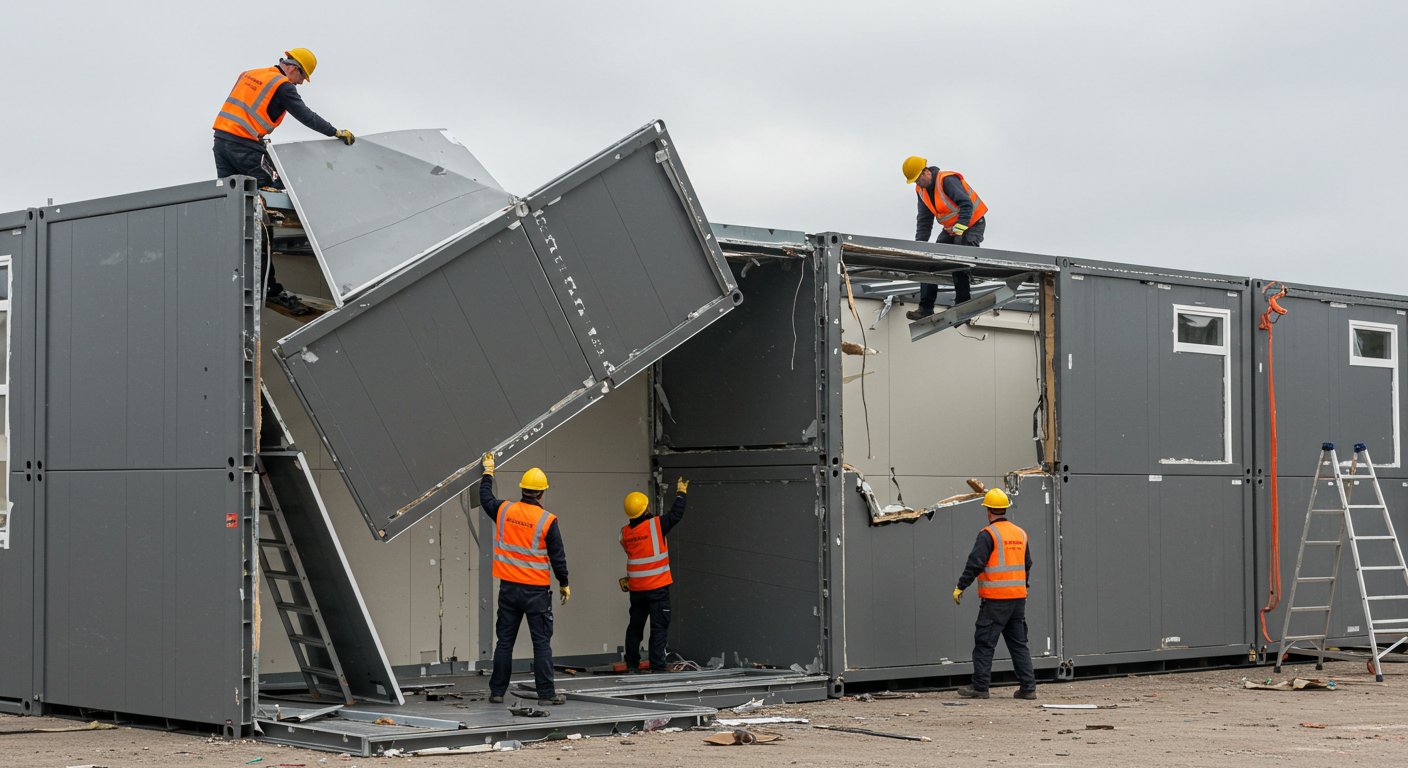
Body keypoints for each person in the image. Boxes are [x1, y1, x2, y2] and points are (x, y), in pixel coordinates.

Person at [212, 48, 355, 316]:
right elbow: (306, 116)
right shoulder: (282, 85)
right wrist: (335, 132)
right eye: (303, 77)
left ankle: (239, 277)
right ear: (294, 68)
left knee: (236, 212)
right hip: (245, 148)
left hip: (222, 144)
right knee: (264, 210)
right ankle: (270, 290)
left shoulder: (251, 74)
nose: (301, 83)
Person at [480, 451, 571, 706]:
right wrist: (564, 582)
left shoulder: (504, 510)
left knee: (504, 642)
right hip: (536, 593)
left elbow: (485, 497)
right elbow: (558, 556)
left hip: (509, 589)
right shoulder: (547, 520)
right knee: (541, 643)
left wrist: (488, 472)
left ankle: (497, 692)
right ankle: (546, 694)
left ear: (522, 489)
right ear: (542, 493)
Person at [952, 488, 1037, 700]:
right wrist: (1023, 586)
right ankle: (1028, 688)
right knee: (1019, 645)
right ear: (1005, 509)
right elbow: (1027, 564)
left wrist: (961, 586)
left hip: (995, 601)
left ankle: (980, 687)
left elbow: (975, 563)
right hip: (1017, 600)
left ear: (988, 510)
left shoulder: (988, 534)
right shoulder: (1020, 533)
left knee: (984, 643)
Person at [900, 155, 989, 320]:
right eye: (914, 182)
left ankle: (963, 305)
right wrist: (921, 246)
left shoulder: (947, 180)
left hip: (972, 224)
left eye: (918, 179)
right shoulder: (921, 191)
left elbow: (966, 204)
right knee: (931, 259)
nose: (917, 184)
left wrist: (960, 229)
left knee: (958, 258)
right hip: (952, 229)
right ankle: (925, 307)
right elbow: (924, 220)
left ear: (926, 172)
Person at [619, 478, 688, 673]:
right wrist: (681, 493)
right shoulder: (656, 525)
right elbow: (676, 514)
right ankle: (657, 667)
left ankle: (632, 664)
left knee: (635, 628)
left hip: (637, 590)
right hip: (657, 588)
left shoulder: (624, 533)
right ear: (645, 509)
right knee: (658, 629)